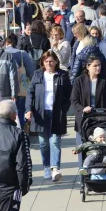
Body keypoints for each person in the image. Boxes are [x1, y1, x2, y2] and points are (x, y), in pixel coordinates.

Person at [25, 51, 72, 182]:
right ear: (43, 63)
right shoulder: (38, 75)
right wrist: (28, 110)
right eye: (46, 61)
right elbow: (30, 93)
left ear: (56, 62)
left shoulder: (62, 76)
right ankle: (46, 166)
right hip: (41, 114)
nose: (49, 64)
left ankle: (55, 168)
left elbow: (69, 95)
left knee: (55, 142)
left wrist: (64, 109)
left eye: (51, 61)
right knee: (43, 143)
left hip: (57, 114)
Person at [70, 55, 106, 167]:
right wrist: (83, 108)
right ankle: (83, 173)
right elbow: (74, 100)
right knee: (83, 148)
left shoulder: (104, 81)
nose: (98, 68)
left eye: (99, 65)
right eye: (95, 66)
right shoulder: (79, 81)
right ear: (88, 66)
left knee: (100, 148)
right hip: (83, 120)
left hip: (100, 119)